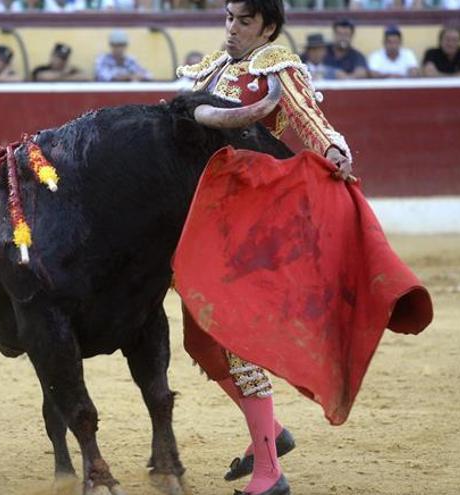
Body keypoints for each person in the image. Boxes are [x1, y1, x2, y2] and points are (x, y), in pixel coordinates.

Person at [176, 0, 354, 493]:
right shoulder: (213, 67)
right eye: (229, 18)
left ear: (268, 27)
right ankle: (270, 433)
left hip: (240, 223)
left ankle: (270, 472)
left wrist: (334, 151)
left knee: (232, 342)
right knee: (199, 340)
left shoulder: (277, 67)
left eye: (244, 21)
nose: (232, 28)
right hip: (197, 218)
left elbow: (308, 119)